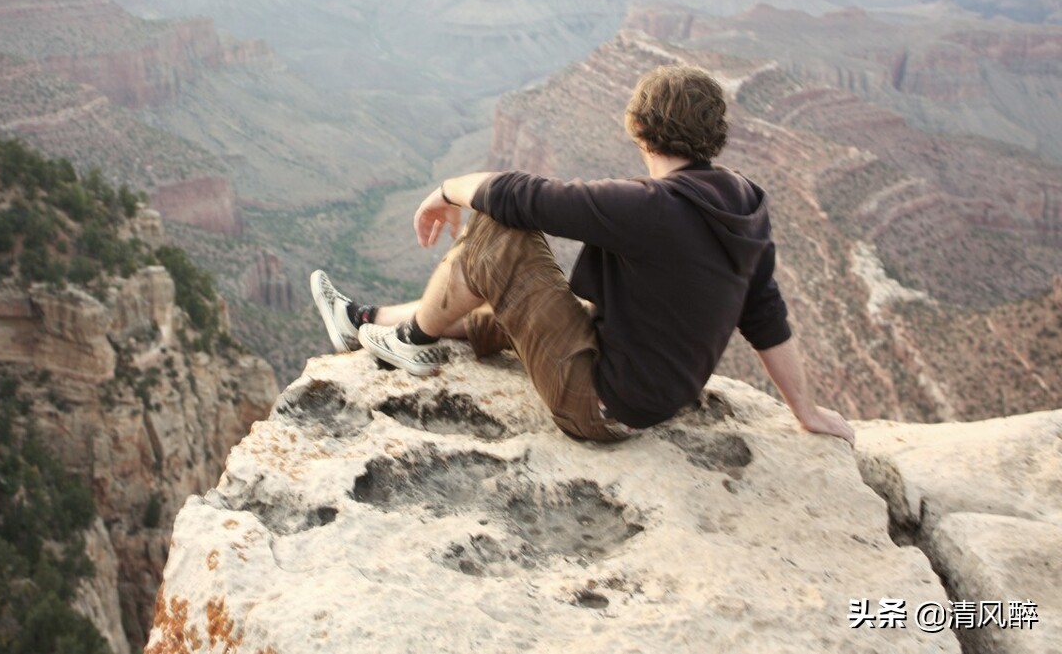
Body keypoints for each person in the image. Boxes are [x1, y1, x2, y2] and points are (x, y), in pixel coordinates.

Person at [311, 64, 854, 445]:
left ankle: (412, 341)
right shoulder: (743, 201)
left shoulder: (652, 208)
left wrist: (447, 190)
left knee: (499, 235)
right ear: (714, 136)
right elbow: (765, 314)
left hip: (600, 407)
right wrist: (803, 410)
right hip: (647, 395)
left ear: (638, 130)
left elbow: (521, 196)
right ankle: (363, 321)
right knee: (506, 309)